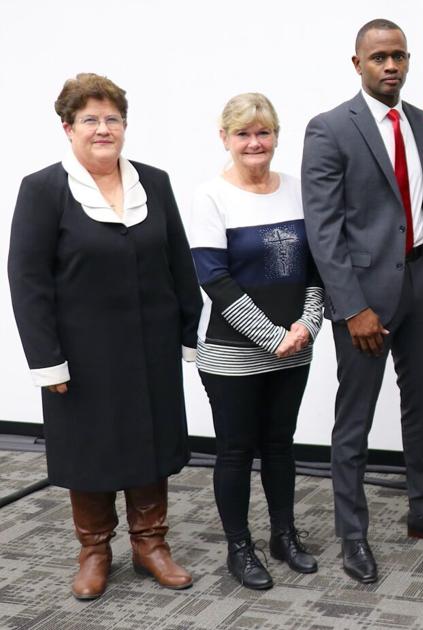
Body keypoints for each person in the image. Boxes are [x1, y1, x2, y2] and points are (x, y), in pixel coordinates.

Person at [8, 73, 202, 600]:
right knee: (90, 449)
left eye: (112, 118)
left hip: (151, 345)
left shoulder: (154, 182)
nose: (102, 129)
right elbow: (27, 282)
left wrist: (189, 329)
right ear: (67, 128)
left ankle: (150, 544)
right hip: (82, 354)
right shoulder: (43, 189)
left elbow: (179, 261)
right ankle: (94, 550)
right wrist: (46, 360)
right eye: (90, 119)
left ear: (125, 125)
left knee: (150, 441)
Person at [301, 18, 423, 585]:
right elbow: (323, 230)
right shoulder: (330, 128)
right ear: (358, 63)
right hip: (364, 302)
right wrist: (352, 308)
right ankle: (353, 536)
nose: (392, 66)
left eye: (400, 56)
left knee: (420, 409)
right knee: (353, 421)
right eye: (379, 57)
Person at [189, 93, 324, 589]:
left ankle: (283, 536)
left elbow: (315, 269)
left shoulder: (296, 190)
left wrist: (308, 325)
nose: (254, 142)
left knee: (281, 446)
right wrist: (271, 338)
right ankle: (239, 547)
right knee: (236, 451)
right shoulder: (211, 196)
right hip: (234, 355)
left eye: (263, 132)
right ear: (224, 138)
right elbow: (215, 280)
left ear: (275, 137)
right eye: (243, 133)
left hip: (295, 348)